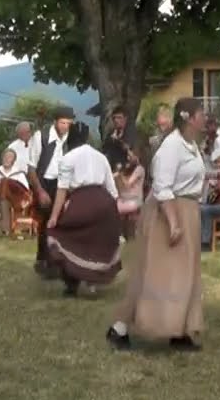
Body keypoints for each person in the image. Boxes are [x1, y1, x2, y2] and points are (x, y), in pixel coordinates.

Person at [107, 97, 217, 352]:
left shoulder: (191, 145)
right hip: (168, 212)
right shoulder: (172, 146)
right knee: (157, 272)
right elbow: (163, 187)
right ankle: (119, 328)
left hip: (188, 209)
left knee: (186, 273)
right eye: (200, 113)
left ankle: (180, 330)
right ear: (187, 117)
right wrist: (173, 222)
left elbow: (189, 178)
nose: (204, 117)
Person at [46, 122, 122, 296]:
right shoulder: (101, 157)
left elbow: (62, 189)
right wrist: (115, 215)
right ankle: (92, 282)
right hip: (104, 202)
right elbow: (112, 190)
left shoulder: (68, 158)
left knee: (61, 236)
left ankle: (71, 284)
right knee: (96, 242)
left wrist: (54, 217)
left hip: (82, 200)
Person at [27, 106, 75, 278]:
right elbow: (31, 168)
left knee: (61, 222)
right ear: (55, 121)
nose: (65, 126)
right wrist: (39, 191)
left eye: (68, 123)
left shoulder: (70, 138)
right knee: (46, 223)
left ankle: (58, 262)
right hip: (44, 182)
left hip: (63, 184)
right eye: (62, 122)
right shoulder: (41, 137)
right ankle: (44, 261)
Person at [115, 149, 145, 240]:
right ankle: (120, 233)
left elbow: (127, 184)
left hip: (134, 200)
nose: (128, 158)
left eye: (131, 156)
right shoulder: (127, 169)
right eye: (128, 156)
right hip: (124, 199)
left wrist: (120, 174)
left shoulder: (139, 169)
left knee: (114, 209)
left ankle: (121, 234)